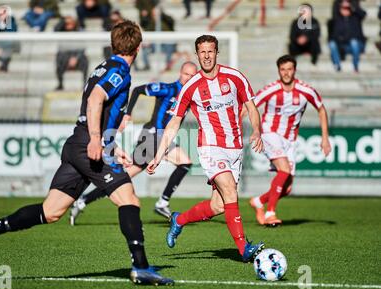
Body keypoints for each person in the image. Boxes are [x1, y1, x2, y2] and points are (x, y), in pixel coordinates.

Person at [0, 21, 174, 286]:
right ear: (138, 47)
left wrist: (111, 146)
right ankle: (141, 267)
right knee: (129, 200)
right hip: (88, 144)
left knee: (51, 211)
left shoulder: (105, 66)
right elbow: (95, 100)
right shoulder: (119, 71)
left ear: (114, 43)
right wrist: (97, 140)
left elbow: (100, 109)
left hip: (79, 143)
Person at [147, 35, 265, 263]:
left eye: (211, 51)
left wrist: (257, 130)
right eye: (202, 52)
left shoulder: (235, 77)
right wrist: (159, 155)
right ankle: (244, 249)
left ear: (217, 52)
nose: (207, 56)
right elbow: (174, 123)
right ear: (197, 54)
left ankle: (178, 220)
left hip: (235, 148)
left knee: (219, 205)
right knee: (230, 191)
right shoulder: (190, 87)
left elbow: (251, 107)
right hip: (210, 148)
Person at [70, 61, 198, 225]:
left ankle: (83, 200)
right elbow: (138, 90)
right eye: (186, 74)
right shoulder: (168, 89)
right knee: (185, 162)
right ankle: (163, 202)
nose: (189, 78)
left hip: (158, 139)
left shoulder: (191, 95)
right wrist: (127, 115)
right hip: (152, 136)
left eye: (193, 76)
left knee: (122, 177)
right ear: (180, 73)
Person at [248, 55, 331, 226]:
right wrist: (248, 128)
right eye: (283, 69)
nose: (286, 73)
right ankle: (270, 213)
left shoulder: (306, 90)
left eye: (289, 69)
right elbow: (250, 106)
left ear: (295, 70)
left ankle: (258, 201)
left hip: (290, 140)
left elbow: (321, 110)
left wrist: (325, 138)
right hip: (270, 133)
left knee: (286, 189)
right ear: (279, 71)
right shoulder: (270, 89)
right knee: (284, 170)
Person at [328, 0, 366, 72]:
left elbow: (363, 14)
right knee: (332, 44)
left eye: (347, 9)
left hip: (355, 44)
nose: (345, 10)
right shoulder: (337, 20)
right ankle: (337, 66)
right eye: (343, 8)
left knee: (354, 42)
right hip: (343, 44)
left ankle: (355, 66)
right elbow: (335, 35)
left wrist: (351, 6)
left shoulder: (355, 18)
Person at [54, 16, 89, 90]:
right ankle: (60, 84)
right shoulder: (61, 32)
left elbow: (82, 48)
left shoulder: (79, 32)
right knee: (59, 57)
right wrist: (63, 20)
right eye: (67, 23)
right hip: (65, 57)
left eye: (70, 23)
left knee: (85, 59)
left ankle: (85, 84)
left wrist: (75, 58)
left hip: (77, 56)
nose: (68, 25)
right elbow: (55, 29)